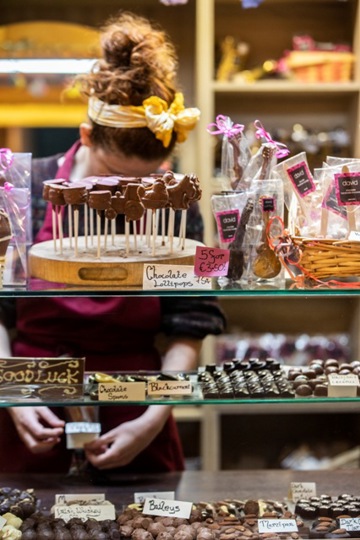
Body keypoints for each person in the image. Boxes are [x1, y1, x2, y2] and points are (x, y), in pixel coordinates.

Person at [0, 11, 226, 476]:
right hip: (33, 399)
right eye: (114, 177)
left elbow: (192, 321)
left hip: (138, 400)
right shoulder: (27, 190)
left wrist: (153, 418)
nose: (130, 195)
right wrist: (12, 395)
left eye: (146, 182)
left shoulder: (177, 202)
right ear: (86, 136)